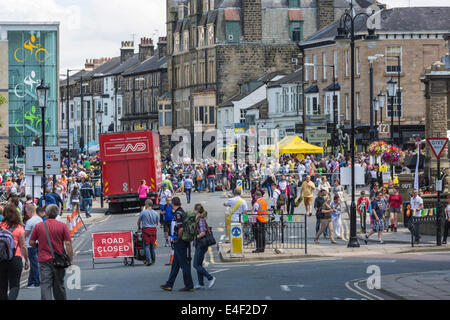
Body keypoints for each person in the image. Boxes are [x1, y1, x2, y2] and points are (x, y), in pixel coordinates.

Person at [29, 204, 73, 300]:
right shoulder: (63, 226)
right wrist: (70, 259)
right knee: (59, 285)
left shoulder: (39, 226)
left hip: (44, 260)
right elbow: (68, 243)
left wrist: (39, 246)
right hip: (59, 260)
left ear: (46, 214)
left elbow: (31, 242)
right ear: (57, 214)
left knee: (45, 285)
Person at [160, 197, 194, 292]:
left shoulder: (178, 213)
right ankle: (169, 284)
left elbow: (181, 228)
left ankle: (189, 285)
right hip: (182, 242)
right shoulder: (181, 212)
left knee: (184, 264)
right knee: (175, 264)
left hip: (180, 242)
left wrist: (177, 239)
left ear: (173, 204)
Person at [0, 205, 29, 300]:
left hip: (2, 258)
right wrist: (26, 260)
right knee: (15, 285)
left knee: (2, 286)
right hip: (15, 258)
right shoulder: (19, 228)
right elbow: (23, 247)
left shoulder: (0, 225)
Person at [193, 204, 216, 290]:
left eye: (194, 210)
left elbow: (203, 232)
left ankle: (210, 278)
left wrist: (196, 237)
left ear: (197, 211)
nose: (193, 211)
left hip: (201, 244)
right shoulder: (198, 219)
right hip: (198, 244)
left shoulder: (201, 220)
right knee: (198, 264)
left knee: (196, 264)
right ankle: (200, 283)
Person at [24, 204, 43, 288]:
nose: (26, 213)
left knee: (34, 264)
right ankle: (30, 282)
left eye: (27, 212)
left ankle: (36, 282)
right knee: (34, 263)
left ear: (30, 211)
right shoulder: (40, 219)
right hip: (38, 243)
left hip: (30, 244)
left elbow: (26, 234)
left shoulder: (30, 221)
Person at [138, 199, 159, 266]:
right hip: (153, 230)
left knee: (146, 245)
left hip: (146, 230)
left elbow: (139, 221)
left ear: (147, 205)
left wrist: (139, 227)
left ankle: (149, 260)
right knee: (152, 245)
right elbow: (157, 223)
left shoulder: (143, 212)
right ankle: (153, 260)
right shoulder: (156, 213)